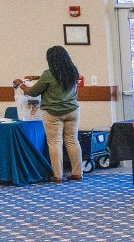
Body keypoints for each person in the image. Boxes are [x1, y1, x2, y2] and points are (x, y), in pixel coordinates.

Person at [13, 46, 83, 183]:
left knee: (55, 143)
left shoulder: (48, 74)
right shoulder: (73, 71)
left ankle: (58, 176)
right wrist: (36, 77)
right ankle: (77, 174)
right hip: (72, 111)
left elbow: (31, 92)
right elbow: (58, 78)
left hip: (53, 113)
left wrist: (20, 83)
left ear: (51, 59)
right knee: (72, 141)